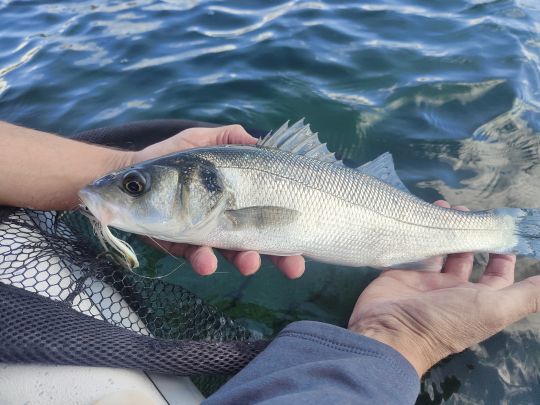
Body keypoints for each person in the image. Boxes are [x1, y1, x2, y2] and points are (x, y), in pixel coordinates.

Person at [1, 121, 539, 404]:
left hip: (389, 234)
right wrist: (401, 339)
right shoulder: (212, 190)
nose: (124, 194)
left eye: (136, 187)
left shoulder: (224, 187)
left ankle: (510, 230)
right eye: (134, 186)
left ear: (208, 191)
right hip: (380, 247)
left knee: (492, 232)